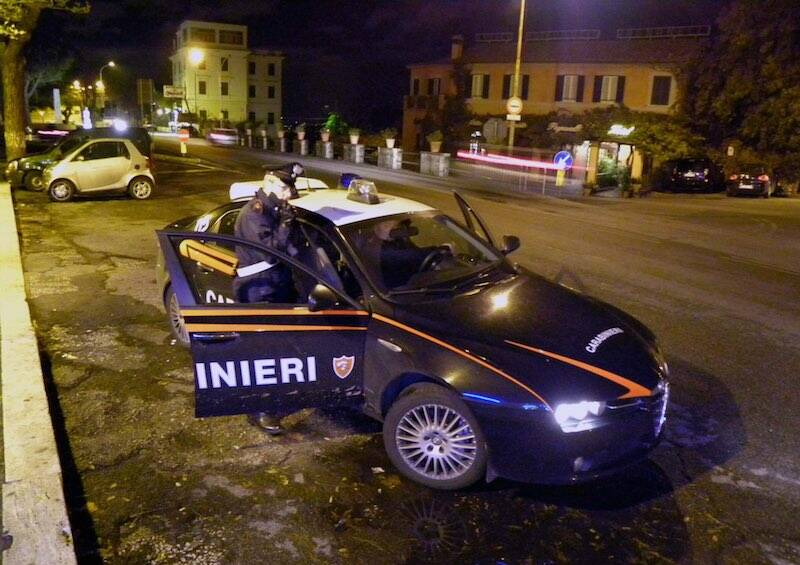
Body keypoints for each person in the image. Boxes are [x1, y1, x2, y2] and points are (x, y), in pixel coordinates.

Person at [233, 172, 305, 434]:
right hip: (259, 290)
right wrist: (286, 225)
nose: (289, 195)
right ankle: (260, 410)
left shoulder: (276, 209)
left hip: (280, 285)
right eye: (286, 189)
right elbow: (272, 251)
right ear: (271, 184)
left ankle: (282, 394)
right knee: (263, 353)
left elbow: (295, 248)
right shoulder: (255, 213)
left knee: (283, 349)